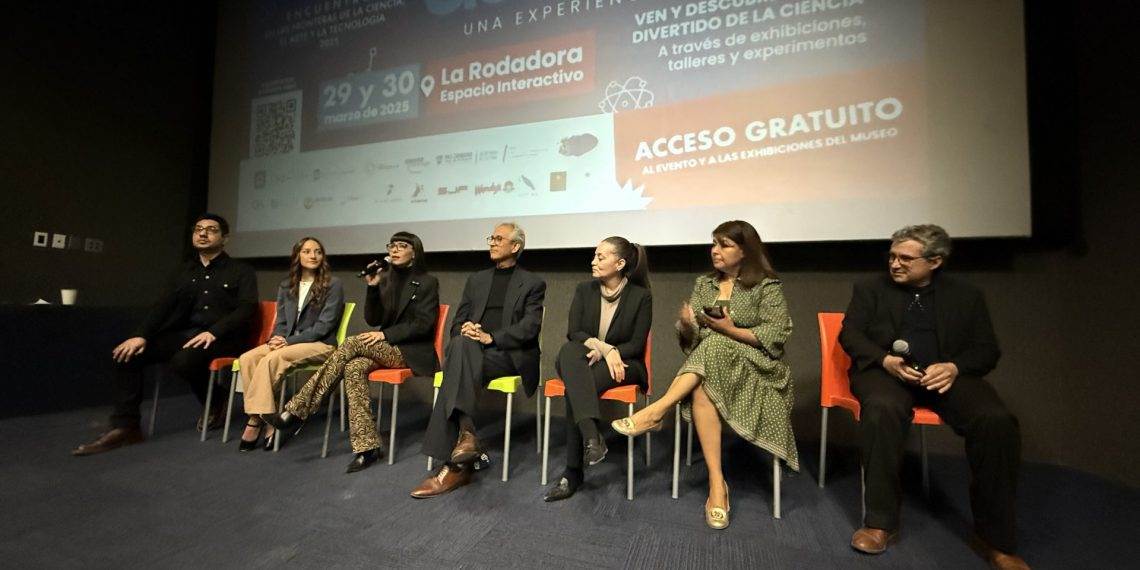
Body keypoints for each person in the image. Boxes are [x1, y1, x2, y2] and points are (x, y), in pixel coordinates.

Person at [839, 224, 1028, 569]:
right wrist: (885, 360)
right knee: (881, 409)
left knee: (996, 422)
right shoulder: (869, 289)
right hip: (887, 373)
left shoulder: (967, 295)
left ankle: (996, 540)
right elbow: (850, 335)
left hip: (945, 377)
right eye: (892, 256)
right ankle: (880, 524)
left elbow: (987, 350)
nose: (895, 264)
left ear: (935, 261)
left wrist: (955, 367)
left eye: (905, 259)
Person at [612, 220, 798, 529]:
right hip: (713, 366)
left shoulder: (767, 286)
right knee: (704, 374)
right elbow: (694, 340)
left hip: (759, 369)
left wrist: (730, 329)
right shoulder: (704, 284)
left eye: (725, 245)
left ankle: (658, 410)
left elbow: (776, 335)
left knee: (716, 343)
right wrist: (687, 325)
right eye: (714, 243)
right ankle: (716, 483)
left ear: (745, 250)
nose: (715, 250)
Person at [73, 213, 258, 456]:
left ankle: (215, 400)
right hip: (185, 335)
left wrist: (214, 332)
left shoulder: (241, 270)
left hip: (223, 338)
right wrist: (141, 335)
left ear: (225, 238)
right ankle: (126, 427)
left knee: (184, 360)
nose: (203, 234)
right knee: (128, 354)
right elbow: (162, 307)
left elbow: (247, 309)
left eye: (211, 230)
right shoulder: (183, 271)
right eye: (198, 229)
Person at [263, 231, 440, 473]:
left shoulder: (427, 282)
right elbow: (373, 319)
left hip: (410, 350)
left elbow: (423, 325)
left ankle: (296, 409)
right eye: (392, 246)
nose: (395, 250)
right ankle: (367, 448)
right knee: (353, 367)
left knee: (352, 343)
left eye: (402, 246)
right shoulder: (385, 279)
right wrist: (373, 288)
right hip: (385, 348)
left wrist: (385, 335)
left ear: (414, 252)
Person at [411, 222, 545, 498]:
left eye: (499, 239)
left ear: (515, 246)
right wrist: (465, 329)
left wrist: (490, 337)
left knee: (458, 363)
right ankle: (465, 443)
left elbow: (530, 327)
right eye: (491, 238)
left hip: (508, 354)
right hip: (472, 352)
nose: (492, 243)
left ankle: (458, 455)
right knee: (461, 344)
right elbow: (456, 323)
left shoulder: (533, 283)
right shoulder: (477, 280)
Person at [543, 237, 652, 502]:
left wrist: (612, 352)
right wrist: (604, 348)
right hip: (586, 358)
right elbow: (575, 332)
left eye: (601, 257)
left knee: (576, 385)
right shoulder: (584, 290)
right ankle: (592, 437)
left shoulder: (641, 296)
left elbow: (636, 344)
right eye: (594, 255)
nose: (593, 261)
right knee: (569, 351)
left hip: (625, 364)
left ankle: (573, 471)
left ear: (620, 263)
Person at [235, 237, 344, 451]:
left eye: (318, 251)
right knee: (248, 358)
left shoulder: (333, 284)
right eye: (307, 251)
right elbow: (282, 322)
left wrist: (288, 341)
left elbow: (324, 326)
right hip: (288, 343)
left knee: (272, 359)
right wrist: (277, 338)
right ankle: (269, 418)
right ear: (297, 256)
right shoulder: (286, 285)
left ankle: (255, 420)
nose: (313, 255)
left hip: (320, 343)